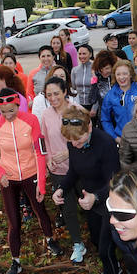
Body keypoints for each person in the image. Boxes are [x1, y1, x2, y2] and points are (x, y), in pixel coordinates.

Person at [0, 88, 64, 274]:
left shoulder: (31, 121)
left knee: (40, 209)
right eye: (3, 112)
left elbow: (40, 152)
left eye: (11, 111)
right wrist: (0, 172)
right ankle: (15, 260)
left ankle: (49, 239)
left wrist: (41, 184)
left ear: (18, 106)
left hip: (30, 173)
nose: (7, 115)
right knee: (13, 220)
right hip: (8, 178)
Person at [53, 106, 123, 274]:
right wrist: (61, 188)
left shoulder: (106, 144)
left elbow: (115, 180)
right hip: (89, 201)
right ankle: (114, 266)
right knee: (96, 242)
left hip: (109, 200)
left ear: (89, 126)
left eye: (80, 139)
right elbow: (74, 170)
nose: (76, 144)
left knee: (104, 250)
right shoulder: (73, 141)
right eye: (72, 142)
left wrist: (97, 197)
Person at [38, 77, 87, 263]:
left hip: (80, 166)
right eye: (49, 95)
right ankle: (77, 243)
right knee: (68, 209)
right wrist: (49, 159)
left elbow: (86, 138)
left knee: (88, 202)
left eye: (56, 93)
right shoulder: (46, 115)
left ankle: (101, 238)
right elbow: (45, 141)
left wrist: (68, 152)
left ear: (65, 92)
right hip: (58, 171)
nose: (53, 98)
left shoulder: (77, 111)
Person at [100, 60, 137, 142]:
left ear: (130, 74)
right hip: (122, 140)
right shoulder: (110, 95)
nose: (121, 77)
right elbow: (105, 119)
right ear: (115, 76)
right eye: (118, 74)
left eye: (125, 73)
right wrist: (115, 137)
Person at [91, 49, 117, 119]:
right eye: (101, 69)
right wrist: (94, 80)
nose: (104, 72)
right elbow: (92, 99)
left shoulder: (117, 79)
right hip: (103, 116)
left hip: (117, 116)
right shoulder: (99, 78)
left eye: (107, 68)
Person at [72, 44, 97, 112]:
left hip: (93, 105)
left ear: (90, 54)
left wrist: (94, 108)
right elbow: (73, 88)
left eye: (84, 54)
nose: (81, 56)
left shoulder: (95, 68)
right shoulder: (74, 70)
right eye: (80, 54)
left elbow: (98, 89)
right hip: (79, 105)